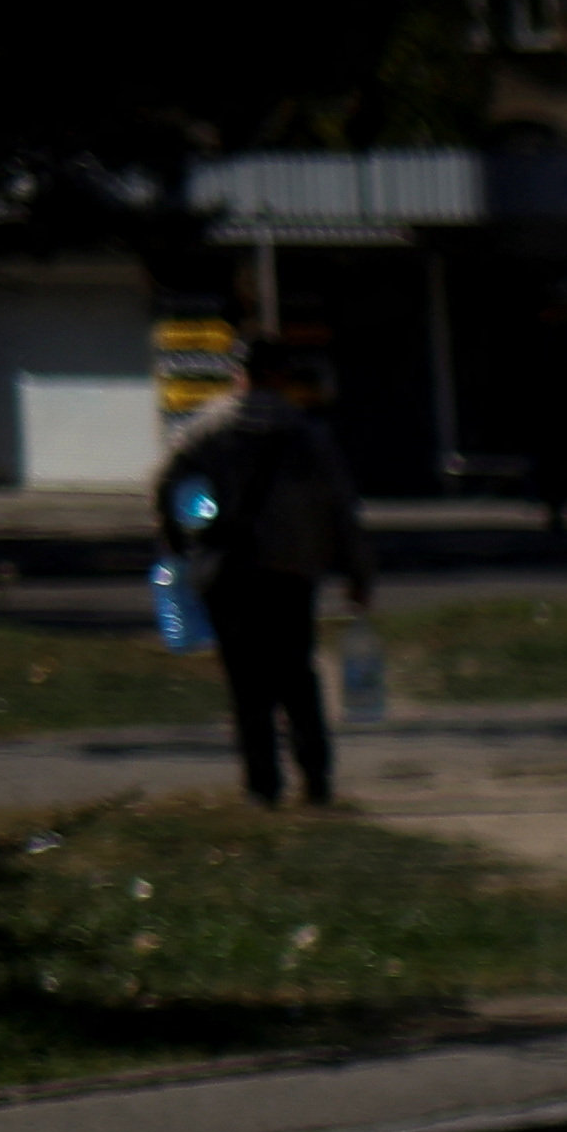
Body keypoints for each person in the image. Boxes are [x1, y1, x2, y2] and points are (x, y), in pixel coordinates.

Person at [161, 340, 372, 808]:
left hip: (230, 571)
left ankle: (262, 785)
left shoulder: (207, 428)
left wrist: (182, 546)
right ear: (281, 376)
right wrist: (357, 573)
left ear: (240, 374)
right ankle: (315, 778)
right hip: (292, 571)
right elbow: (342, 506)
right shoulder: (307, 434)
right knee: (297, 675)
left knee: (246, 681)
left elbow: (165, 484)